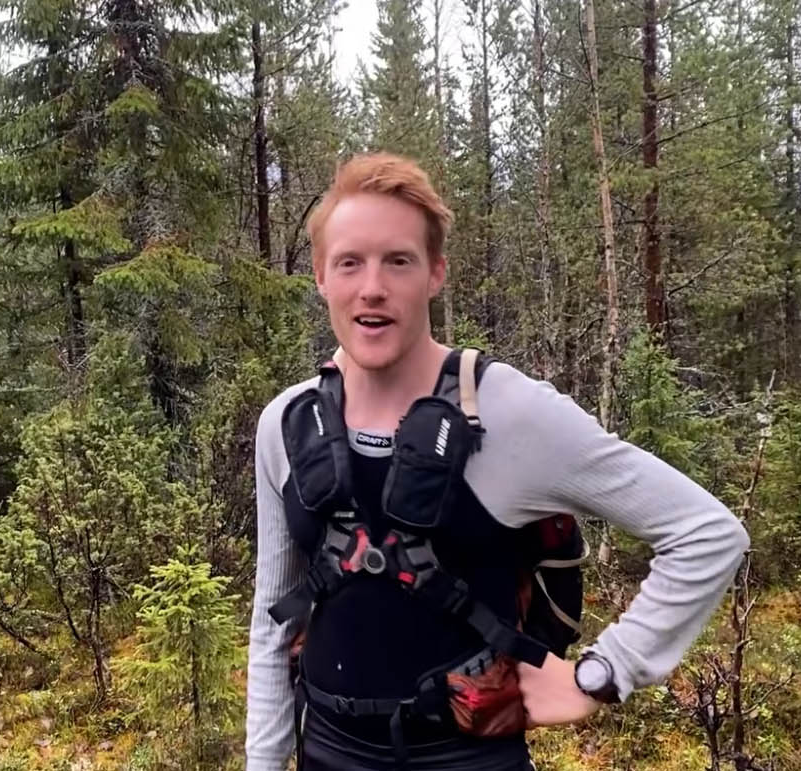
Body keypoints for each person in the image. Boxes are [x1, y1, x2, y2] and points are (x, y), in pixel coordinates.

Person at [245, 152, 749, 771]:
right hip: (327, 749)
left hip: (469, 757)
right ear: (322, 276)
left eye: (398, 260)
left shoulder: (509, 413)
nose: (372, 287)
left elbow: (707, 533)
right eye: (350, 262)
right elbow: (273, 622)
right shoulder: (288, 424)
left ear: (435, 273)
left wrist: (606, 671)